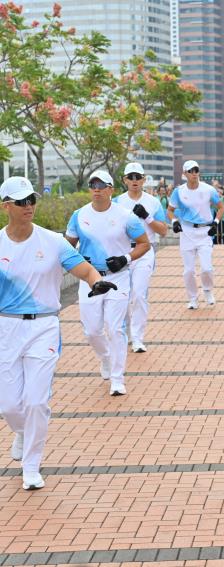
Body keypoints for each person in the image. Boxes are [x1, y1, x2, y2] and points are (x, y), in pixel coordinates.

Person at [0, 177, 117, 490]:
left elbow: (84, 269)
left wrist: (96, 282)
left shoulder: (52, 241)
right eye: (21, 201)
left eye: (32, 200)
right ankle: (21, 431)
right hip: (6, 327)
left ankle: (31, 467)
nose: (29, 206)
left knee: (36, 401)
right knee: (8, 405)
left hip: (44, 327)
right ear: (6, 206)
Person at [65, 170, 150, 396]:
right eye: (93, 185)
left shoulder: (126, 216)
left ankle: (117, 379)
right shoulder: (79, 215)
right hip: (90, 278)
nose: (97, 189)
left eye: (101, 185)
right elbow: (66, 247)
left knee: (114, 328)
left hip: (118, 277)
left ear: (111, 189)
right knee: (92, 331)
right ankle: (105, 358)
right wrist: (76, 259)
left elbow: (144, 244)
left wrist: (126, 258)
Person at [113, 163, 168, 353]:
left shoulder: (153, 202)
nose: (134, 180)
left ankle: (137, 338)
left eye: (138, 177)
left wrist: (147, 217)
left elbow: (164, 230)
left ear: (144, 179)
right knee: (123, 295)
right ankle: (126, 332)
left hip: (144, 251)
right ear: (125, 180)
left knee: (138, 294)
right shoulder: (117, 202)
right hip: (123, 252)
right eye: (131, 177)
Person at [167, 160, 224, 309]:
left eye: (196, 170)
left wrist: (216, 223)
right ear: (184, 174)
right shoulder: (178, 192)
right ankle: (192, 298)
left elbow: (221, 207)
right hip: (187, 232)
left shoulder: (208, 190)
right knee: (189, 271)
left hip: (205, 232)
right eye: (190, 171)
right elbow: (170, 210)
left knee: (207, 268)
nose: (194, 174)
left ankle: (208, 291)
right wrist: (174, 222)